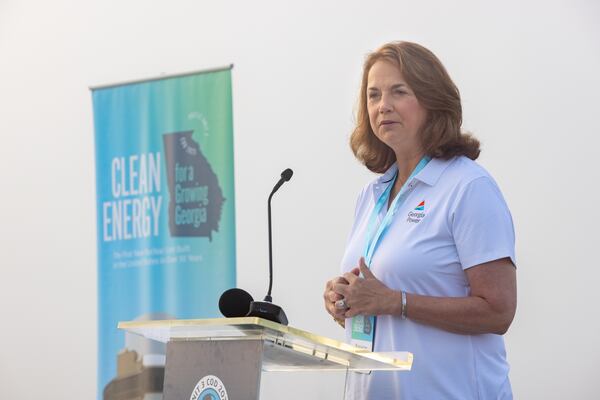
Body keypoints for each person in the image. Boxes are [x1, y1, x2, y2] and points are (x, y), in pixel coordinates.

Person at [323, 41, 517, 400]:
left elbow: (499, 311)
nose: (384, 106)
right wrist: (345, 299)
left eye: (399, 91)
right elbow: (377, 296)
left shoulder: (468, 187)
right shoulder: (370, 196)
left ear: (431, 99)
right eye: (374, 95)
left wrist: (396, 302)